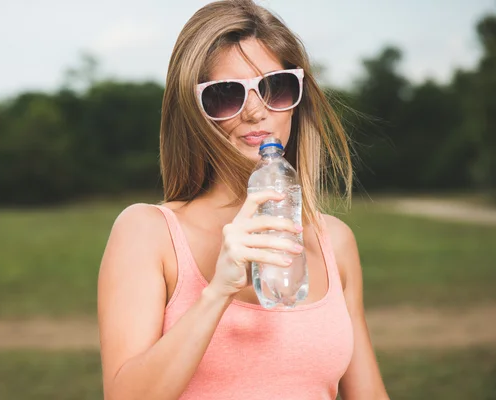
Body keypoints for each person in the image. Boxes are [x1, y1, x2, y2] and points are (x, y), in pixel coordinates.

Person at [97, 1, 390, 399]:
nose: (256, 111)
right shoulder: (148, 233)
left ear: (296, 97)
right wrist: (218, 291)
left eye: (276, 87)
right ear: (193, 112)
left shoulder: (334, 242)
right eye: (225, 95)